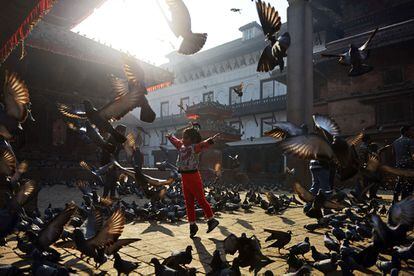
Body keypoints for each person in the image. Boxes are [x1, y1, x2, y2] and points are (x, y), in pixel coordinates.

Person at [166, 125, 220, 238]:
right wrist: (170, 137)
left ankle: (211, 219)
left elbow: (204, 144)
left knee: (201, 200)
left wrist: (211, 140)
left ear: (192, 139)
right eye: (183, 137)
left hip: (194, 177)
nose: (183, 139)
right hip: (185, 178)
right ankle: (192, 225)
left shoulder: (195, 147)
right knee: (188, 202)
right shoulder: (181, 146)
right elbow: (176, 141)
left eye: (186, 138)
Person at [392, 125, 414, 202]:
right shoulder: (410, 141)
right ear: (406, 131)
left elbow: (393, 154)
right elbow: (413, 154)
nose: (412, 132)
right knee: (409, 183)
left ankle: (395, 199)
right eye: (411, 130)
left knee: (400, 181)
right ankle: (404, 200)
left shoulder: (395, 142)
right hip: (409, 165)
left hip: (399, 165)